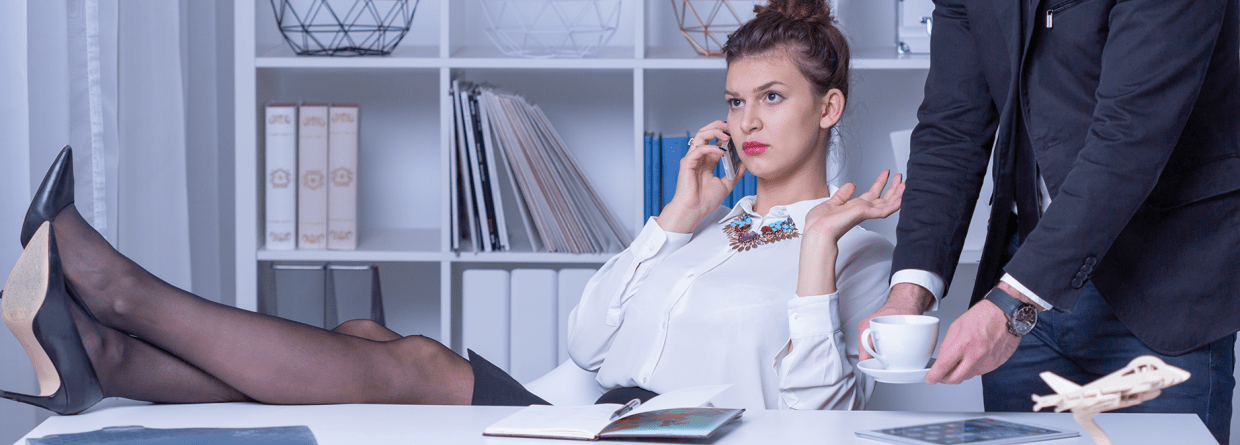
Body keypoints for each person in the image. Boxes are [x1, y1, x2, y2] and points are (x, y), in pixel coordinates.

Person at [1, 0, 902, 416]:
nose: (745, 121)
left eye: (772, 98)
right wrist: (671, 224)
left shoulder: (858, 246)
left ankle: (121, 300)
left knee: (420, 363)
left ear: (829, 107)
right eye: (737, 99)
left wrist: (819, 250)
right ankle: (109, 361)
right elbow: (587, 344)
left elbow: (819, 421)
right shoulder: (718, 225)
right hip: (584, 409)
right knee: (360, 330)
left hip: (647, 433)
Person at [859, 0, 1239, 443]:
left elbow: (1130, 136)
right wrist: (909, 295)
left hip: (1165, 282)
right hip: (1024, 274)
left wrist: (1011, 305)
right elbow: (952, 127)